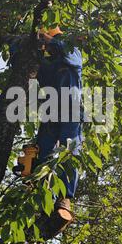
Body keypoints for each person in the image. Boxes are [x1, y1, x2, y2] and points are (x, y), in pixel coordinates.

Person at [36, 27, 83, 216]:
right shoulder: (47, 64)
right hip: (51, 111)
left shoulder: (71, 50)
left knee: (70, 151)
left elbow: (63, 48)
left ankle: (65, 197)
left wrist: (44, 38)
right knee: (42, 151)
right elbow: (29, 65)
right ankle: (41, 196)